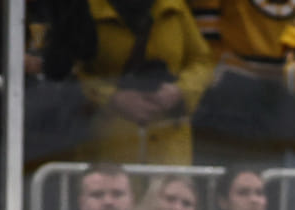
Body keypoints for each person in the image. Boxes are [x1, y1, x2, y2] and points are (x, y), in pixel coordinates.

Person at [46, 0, 214, 165]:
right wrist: (113, 98)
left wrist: (181, 91)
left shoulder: (174, 6)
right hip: (109, 148)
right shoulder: (85, 8)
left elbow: (202, 60)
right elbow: (68, 75)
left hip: (168, 144)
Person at [189, 0, 295, 164]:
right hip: (231, 93)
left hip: (282, 97)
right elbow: (205, 45)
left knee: (275, 176)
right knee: (230, 175)